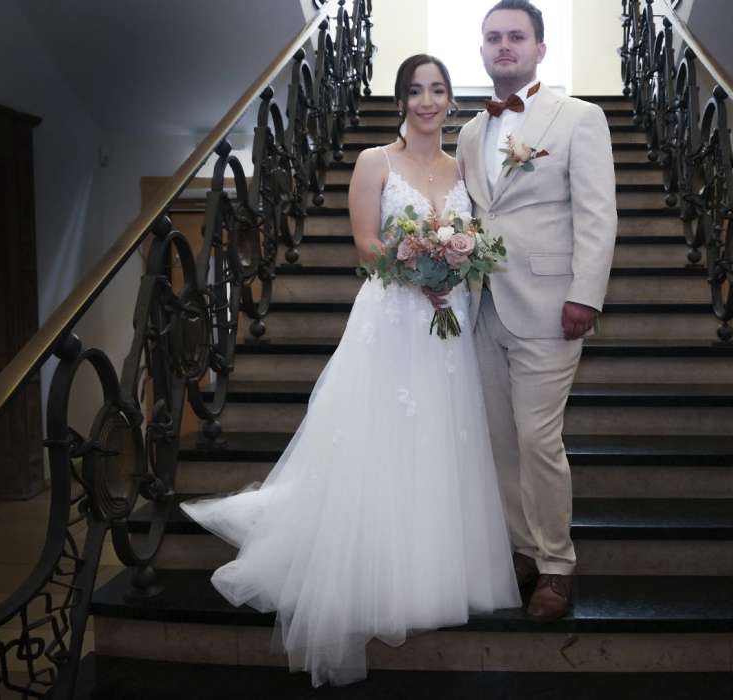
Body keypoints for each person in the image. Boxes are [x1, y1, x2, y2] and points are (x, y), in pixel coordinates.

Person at [180, 54, 520, 688]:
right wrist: (418, 268)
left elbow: (477, 236)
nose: (426, 101)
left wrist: (453, 265)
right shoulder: (374, 162)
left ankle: (434, 570)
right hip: (394, 315)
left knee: (441, 439)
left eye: (437, 90)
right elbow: (365, 243)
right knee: (381, 436)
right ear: (400, 101)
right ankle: (369, 567)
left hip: (448, 318)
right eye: (414, 90)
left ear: (451, 100)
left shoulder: (463, 169)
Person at [455, 0, 618, 620]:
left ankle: (556, 564)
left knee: (538, 438)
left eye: (516, 37)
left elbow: (597, 212)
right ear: (482, 50)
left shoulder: (579, 118)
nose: (504, 46)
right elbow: (477, 214)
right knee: (499, 439)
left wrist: (585, 294)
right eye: (493, 37)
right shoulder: (470, 132)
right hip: (482, 305)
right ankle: (522, 549)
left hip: (551, 306)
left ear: (539, 49)